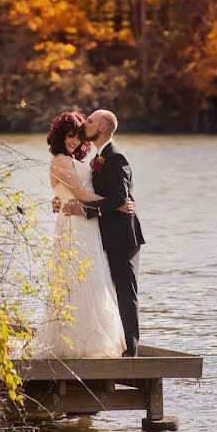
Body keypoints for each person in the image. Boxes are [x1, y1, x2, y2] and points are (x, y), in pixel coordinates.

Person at [32, 111, 129, 359]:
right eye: (69, 136)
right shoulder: (61, 160)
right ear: (60, 136)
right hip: (75, 225)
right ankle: (78, 344)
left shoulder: (71, 159)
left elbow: (72, 194)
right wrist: (116, 204)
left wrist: (61, 200)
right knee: (78, 280)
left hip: (84, 223)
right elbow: (81, 195)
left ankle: (91, 340)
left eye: (77, 136)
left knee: (91, 279)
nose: (74, 141)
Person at [57, 109, 144, 358]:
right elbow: (91, 191)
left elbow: (119, 198)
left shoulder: (116, 158)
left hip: (123, 237)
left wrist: (84, 208)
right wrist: (61, 199)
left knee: (125, 290)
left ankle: (132, 349)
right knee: (103, 289)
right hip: (101, 235)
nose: (86, 124)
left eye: (91, 121)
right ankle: (114, 340)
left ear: (103, 128)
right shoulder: (98, 158)